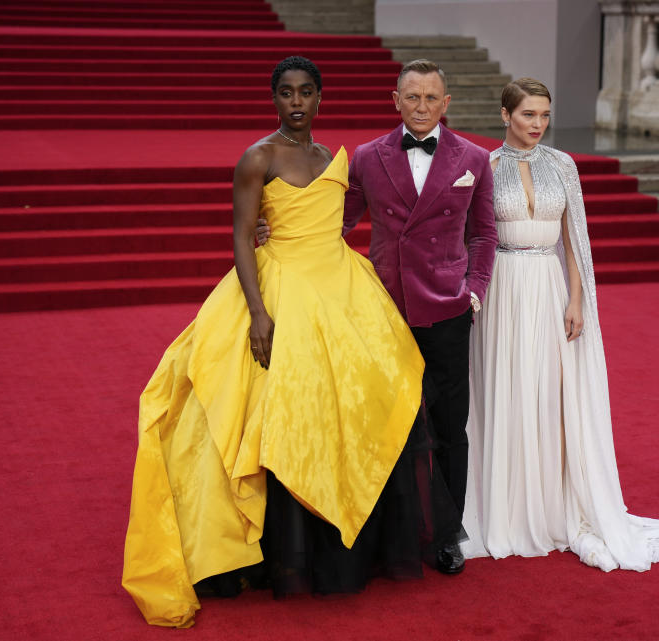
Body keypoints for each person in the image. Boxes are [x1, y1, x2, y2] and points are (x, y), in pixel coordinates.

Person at [122, 57, 457, 628]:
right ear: (274, 98)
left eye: (305, 93)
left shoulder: (333, 160)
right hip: (281, 292)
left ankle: (359, 538)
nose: (296, 102)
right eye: (285, 93)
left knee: (363, 397)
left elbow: (343, 217)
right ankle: (272, 549)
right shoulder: (258, 157)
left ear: (320, 98)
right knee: (280, 411)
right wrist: (257, 313)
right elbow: (240, 235)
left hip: (343, 291)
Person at [461, 78, 659, 570]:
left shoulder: (563, 165)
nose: (537, 125)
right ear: (504, 115)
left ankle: (551, 502)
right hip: (500, 290)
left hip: (548, 285)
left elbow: (575, 240)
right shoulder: (483, 166)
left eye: (544, 115)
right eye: (527, 115)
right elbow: (470, 237)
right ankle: (503, 506)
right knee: (504, 390)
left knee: (547, 393)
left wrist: (577, 300)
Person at [341, 59, 499, 575]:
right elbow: (338, 224)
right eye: (413, 97)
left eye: (432, 98)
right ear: (395, 100)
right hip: (384, 310)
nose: (423, 107)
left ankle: (448, 534)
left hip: (448, 310)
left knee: (450, 426)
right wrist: (286, 241)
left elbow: (484, 235)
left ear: (447, 103)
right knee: (385, 423)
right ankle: (388, 530)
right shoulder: (367, 157)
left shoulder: (474, 156)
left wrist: (474, 290)